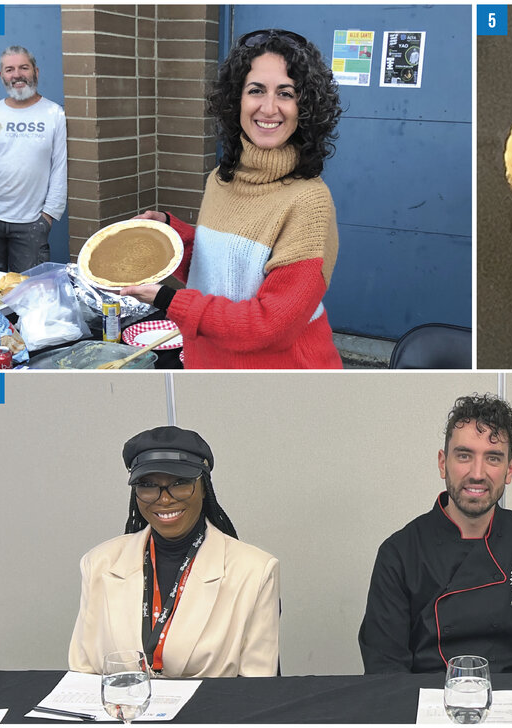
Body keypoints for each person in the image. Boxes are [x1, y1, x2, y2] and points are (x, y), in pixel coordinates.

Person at [120, 29, 342, 369]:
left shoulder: (309, 202)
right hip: (208, 363)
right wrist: (169, 234)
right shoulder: (220, 180)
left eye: (286, 93)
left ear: (305, 107)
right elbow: (218, 270)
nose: (269, 108)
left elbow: (271, 326)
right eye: (256, 91)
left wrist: (169, 300)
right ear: (236, 100)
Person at [358, 393, 512, 674]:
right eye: (465, 455)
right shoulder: (399, 553)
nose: (477, 473)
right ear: (443, 462)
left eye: (493, 458)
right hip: (431, 704)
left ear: (510, 469)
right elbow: (385, 667)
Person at [69, 426, 280, 678]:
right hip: (122, 714)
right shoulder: (99, 563)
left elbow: (258, 690)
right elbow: (81, 677)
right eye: (148, 485)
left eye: (180, 483)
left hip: (210, 716)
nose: (165, 499)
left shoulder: (255, 571)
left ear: (204, 488)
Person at [0, 46, 67, 272]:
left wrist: (48, 216)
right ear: (2, 75)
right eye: (9, 69)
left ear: (35, 71)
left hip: (31, 222)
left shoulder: (54, 114)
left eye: (23, 67)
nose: (17, 75)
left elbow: (59, 167)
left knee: (29, 293)